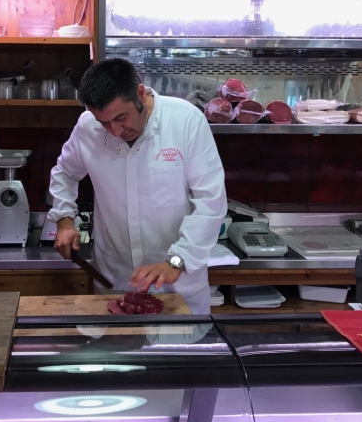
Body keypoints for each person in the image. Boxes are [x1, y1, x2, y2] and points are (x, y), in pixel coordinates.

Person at [47, 59, 227, 314]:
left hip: (179, 286)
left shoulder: (186, 121)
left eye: (121, 117)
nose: (116, 131)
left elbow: (211, 203)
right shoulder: (87, 127)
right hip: (116, 280)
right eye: (105, 123)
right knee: (116, 353)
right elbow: (65, 171)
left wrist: (177, 261)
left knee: (183, 354)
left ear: (140, 94)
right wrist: (64, 219)